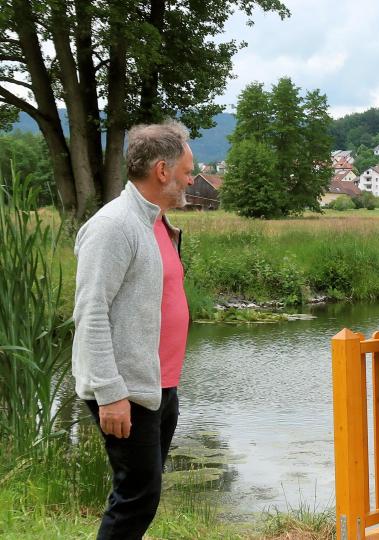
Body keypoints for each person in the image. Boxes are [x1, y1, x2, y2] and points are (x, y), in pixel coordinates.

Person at [72, 120, 194, 539]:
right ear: (162, 170)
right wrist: (110, 394)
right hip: (126, 389)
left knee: (143, 494)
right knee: (136, 496)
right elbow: (90, 314)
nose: (190, 178)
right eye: (186, 170)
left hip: (160, 383)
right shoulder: (113, 226)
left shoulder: (157, 222)